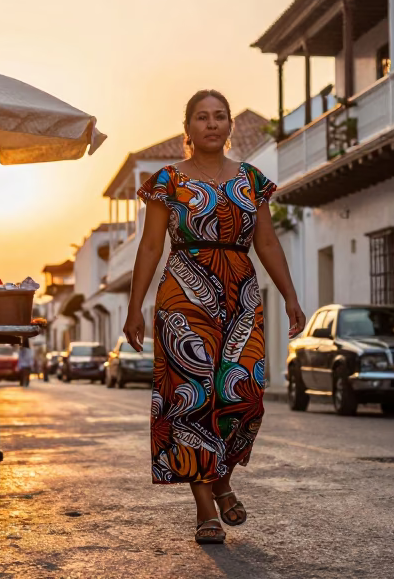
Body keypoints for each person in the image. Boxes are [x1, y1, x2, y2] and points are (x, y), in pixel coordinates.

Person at [123, 89, 306, 545]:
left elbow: (266, 243)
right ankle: (206, 506)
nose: (211, 124)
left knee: (244, 395)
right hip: (183, 298)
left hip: (241, 295)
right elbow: (150, 247)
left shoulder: (252, 180)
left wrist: (290, 296)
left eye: (219, 117)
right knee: (192, 400)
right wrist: (135, 308)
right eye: (201, 117)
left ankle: (222, 480)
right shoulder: (166, 180)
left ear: (228, 127)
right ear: (187, 129)